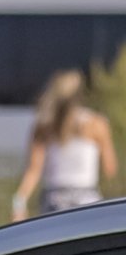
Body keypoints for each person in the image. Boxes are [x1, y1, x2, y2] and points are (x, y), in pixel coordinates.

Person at [13, 69, 117, 220]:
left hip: (53, 201)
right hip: (87, 200)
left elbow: (33, 170)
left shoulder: (44, 127)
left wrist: (19, 202)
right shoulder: (96, 124)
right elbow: (110, 169)